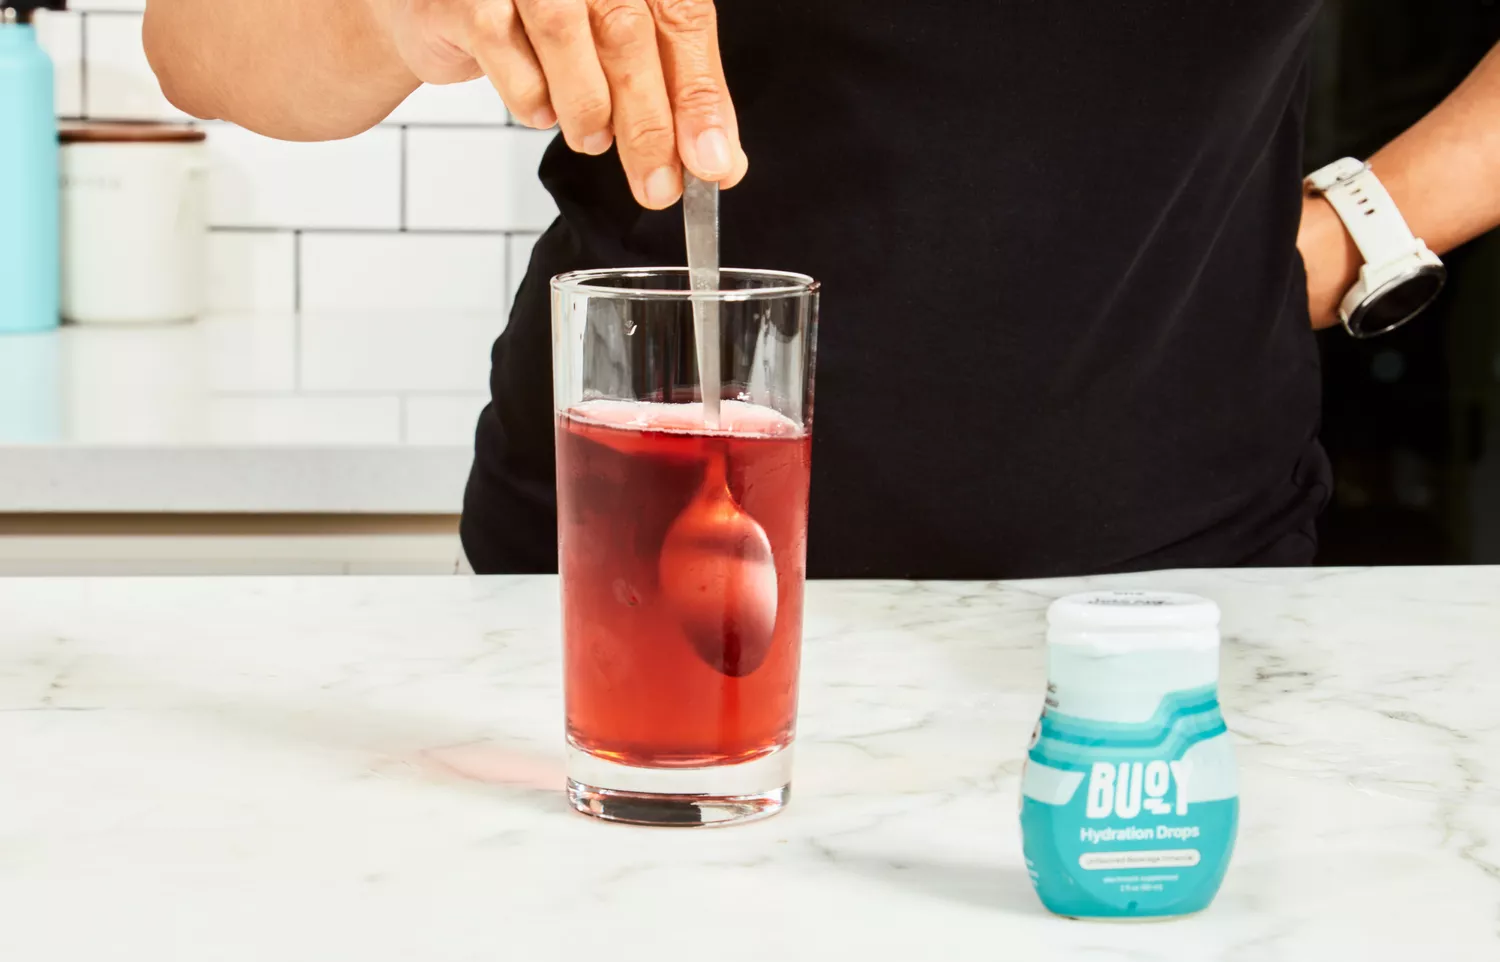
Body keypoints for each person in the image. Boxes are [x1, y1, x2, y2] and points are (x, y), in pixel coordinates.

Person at [143, 1, 1500, 578]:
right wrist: (400, 11)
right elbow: (201, 45)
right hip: (631, 581)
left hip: (1169, 609)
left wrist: (1354, 231)